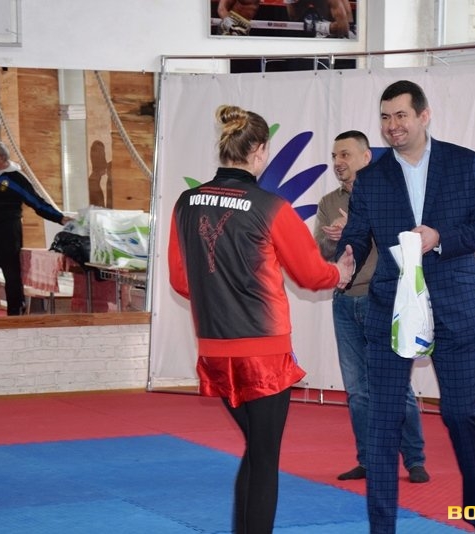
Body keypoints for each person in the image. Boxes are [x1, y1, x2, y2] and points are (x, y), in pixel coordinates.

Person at [167, 104, 355, 534]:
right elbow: (310, 274)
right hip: (263, 352)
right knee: (265, 458)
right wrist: (339, 273)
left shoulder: (186, 202)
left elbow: (181, 280)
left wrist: (220, 291)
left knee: (256, 451)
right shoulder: (269, 206)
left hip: (215, 349)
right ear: (261, 151)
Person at [336, 80, 475, 534]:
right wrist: (345, 256)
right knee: (383, 422)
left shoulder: (464, 164)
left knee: (461, 416)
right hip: (390, 309)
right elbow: (358, 236)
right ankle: (381, 527)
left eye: (401, 116)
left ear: (424, 116)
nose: (392, 126)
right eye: (385, 117)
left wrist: (440, 238)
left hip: (454, 307)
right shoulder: (371, 178)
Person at [314, 130, 429, 484]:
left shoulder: (389, 194)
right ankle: (369, 460)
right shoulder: (328, 202)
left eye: (345, 154)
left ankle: (414, 460)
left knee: (395, 385)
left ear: (366, 158)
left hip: (383, 300)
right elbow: (321, 254)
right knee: (357, 390)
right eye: (335, 156)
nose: (338, 162)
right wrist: (333, 239)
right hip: (344, 302)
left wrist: (358, 229)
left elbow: (405, 244)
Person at [0, 141, 71, 316]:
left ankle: (15, 313)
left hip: (9, 231)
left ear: (2, 157)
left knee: (12, 275)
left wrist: (59, 218)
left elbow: (37, 202)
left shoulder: (17, 178)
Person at [284, 0, 355, 38]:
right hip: (330, 36)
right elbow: (293, 17)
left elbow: (344, 28)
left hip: (347, 37)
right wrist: (290, 1)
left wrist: (317, 26)